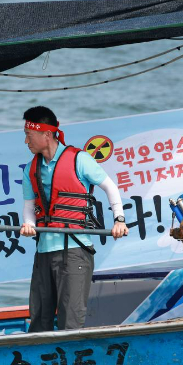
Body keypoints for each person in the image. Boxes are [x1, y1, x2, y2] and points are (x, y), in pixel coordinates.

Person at [20, 107, 128, 332]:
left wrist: (119, 220)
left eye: (29, 136)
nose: (26, 141)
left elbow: (110, 187)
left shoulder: (79, 159)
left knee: (70, 321)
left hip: (75, 252)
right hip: (43, 253)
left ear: (46, 135)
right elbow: (29, 207)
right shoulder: (31, 168)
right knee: (39, 321)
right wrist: (29, 224)